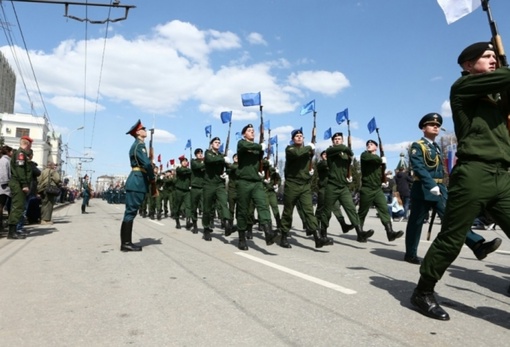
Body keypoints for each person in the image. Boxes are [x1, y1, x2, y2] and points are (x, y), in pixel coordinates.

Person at [410, 42, 508, 321]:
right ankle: (423, 291)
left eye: (494, 57)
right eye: (486, 57)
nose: (493, 61)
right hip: (474, 174)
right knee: (452, 238)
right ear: (467, 65)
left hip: (502, 174)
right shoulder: (462, 87)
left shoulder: (494, 94)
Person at [404, 112, 501, 265]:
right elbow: (419, 168)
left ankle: (477, 245)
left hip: (439, 188)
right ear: (423, 128)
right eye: (432, 125)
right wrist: (431, 185)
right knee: (416, 223)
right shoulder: (418, 146)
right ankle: (410, 253)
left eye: (437, 125)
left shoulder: (436, 146)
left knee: (453, 219)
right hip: (423, 188)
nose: (435, 127)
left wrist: (442, 185)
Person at [319, 132, 374, 243]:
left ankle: (360, 233)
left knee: (351, 209)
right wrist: (346, 148)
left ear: (342, 140)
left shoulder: (345, 154)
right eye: (335, 139)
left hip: (343, 187)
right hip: (332, 186)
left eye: (339, 139)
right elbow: (347, 150)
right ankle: (323, 234)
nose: (337, 140)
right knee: (327, 211)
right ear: (333, 142)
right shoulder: (330, 151)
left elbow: (351, 153)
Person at [235, 124, 277, 250]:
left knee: (263, 205)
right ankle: (242, 238)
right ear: (244, 134)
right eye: (249, 131)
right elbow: (247, 146)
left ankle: (268, 232)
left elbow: (259, 161)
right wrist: (260, 146)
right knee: (243, 210)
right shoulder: (242, 144)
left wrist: (267, 165)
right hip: (243, 182)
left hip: (257, 182)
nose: (252, 132)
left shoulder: (257, 148)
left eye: (253, 131)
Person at [119, 119, 156, 252]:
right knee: (130, 213)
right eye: (143, 129)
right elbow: (146, 164)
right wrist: (152, 178)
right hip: (137, 181)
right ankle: (126, 243)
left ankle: (126, 242)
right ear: (138, 132)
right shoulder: (139, 146)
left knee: (130, 212)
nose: (145, 130)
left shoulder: (139, 145)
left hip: (137, 180)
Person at [358, 140, 403, 242]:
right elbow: (375, 160)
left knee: (384, 209)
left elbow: (381, 170)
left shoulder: (379, 160)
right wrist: (382, 159)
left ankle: (390, 232)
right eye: (368, 145)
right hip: (367, 188)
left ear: (376, 147)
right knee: (362, 212)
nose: (369, 146)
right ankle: (360, 233)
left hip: (377, 189)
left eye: (371, 144)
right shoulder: (365, 155)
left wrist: (383, 180)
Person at [315, 150, 354, 234]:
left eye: (327, 154)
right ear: (321, 156)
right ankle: (314, 227)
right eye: (324, 154)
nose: (325, 155)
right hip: (324, 189)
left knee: (336, 207)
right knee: (321, 209)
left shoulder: (333, 164)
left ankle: (343, 225)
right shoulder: (321, 164)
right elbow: (327, 164)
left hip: (332, 189)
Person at [202, 137, 231, 240]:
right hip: (209, 184)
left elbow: (229, 168)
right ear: (211, 144)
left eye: (219, 142)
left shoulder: (221, 156)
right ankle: (206, 228)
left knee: (224, 203)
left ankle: (227, 222)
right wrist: (223, 158)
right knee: (207, 208)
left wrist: (226, 173)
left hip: (219, 184)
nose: (218, 144)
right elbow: (210, 160)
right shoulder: (207, 153)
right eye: (215, 142)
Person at [7, 136, 33, 239]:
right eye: (30, 145)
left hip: (19, 183)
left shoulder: (21, 154)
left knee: (19, 207)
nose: (30, 147)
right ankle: (11, 232)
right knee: (17, 207)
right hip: (18, 183)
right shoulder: (20, 154)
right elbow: (20, 170)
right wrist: (24, 184)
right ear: (27, 144)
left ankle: (14, 231)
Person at [173, 156, 192, 229]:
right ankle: (177, 221)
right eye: (183, 161)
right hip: (179, 190)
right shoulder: (179, 169)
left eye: (186, 161)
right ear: (181, 163)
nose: (185, 162)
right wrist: (189, 171)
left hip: (187, 191)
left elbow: (190, 173)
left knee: (188, 206)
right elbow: (182, 172)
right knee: (177, 206)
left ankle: (188, 221)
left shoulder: (189, 170)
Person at [190, 148, 205, 232]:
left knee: (205, 207)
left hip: (203, 187)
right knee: (194, 208)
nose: (200, 154)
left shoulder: (204, 163)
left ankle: (206, 225)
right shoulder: (194, 162)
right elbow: (198, 166)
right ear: (196, 155)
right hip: (195, 188)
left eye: (201, 153)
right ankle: (195, 224)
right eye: (198, 153)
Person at [0, 145, 13, 234]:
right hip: (3, 188)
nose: (12, 153)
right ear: (8, 152)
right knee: (0, 207)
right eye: (11, 151)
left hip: (4, 187)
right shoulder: (5, 161)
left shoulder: (5, 160)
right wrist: (7, 183)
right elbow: (4, 174)